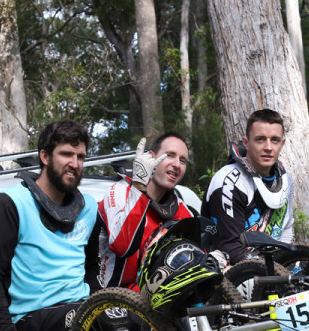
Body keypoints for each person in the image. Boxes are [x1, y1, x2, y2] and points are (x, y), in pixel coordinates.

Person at [0, 120, 99, 331]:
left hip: (80, 307)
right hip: (33, 318)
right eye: (66, 154)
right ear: (45, 156)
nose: (75, 163)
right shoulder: (12, 202)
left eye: (80, 156)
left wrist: (104, 300)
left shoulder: (89, 207)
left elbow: (93, 268)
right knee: (99, 319)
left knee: (139, 316)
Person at [97, 132, 195, 290]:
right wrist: (139, 187)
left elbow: (197, 251)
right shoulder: (120, 190)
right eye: (169, 155)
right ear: (151, 158)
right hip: (115, 297)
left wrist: (213, 258)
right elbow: (122, 247)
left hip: (162, 298)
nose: (177, 164)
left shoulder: (179, 207)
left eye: (182, 160)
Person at [201, 109, 295, 265]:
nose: (268, 147)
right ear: (246, 143)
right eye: (260, 139)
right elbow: (228, 246)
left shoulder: (286, 180)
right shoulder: (229, 181)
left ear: (282, 143)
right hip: (229, 266)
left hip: (272, 262)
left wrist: (291, 263)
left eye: (275, 140)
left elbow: (286, 230)